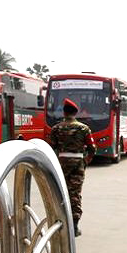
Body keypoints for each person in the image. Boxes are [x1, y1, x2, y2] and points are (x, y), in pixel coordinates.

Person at [48, 98, 97, 237]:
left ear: (64, 112)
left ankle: (60, 224)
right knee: (74, 194)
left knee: (60, 192)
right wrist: (85, 161)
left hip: (61, 164)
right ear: (76, 113)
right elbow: (92, 148)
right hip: (78, 163)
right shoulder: (84, 128)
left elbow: (51, 147)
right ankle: (74, 227)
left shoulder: (56, 128)